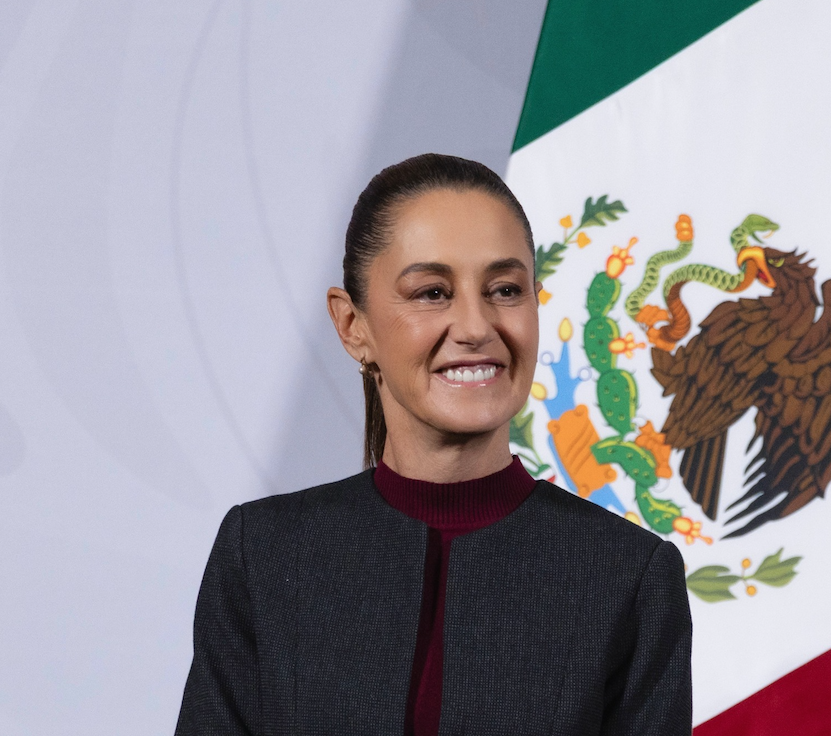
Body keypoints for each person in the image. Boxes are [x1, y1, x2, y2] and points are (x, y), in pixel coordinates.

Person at [175, 153, 692, 735]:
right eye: (431, 292)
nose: (475, 327)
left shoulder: (630, 576)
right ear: (353, 326)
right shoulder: (262, 555)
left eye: (504, 288)